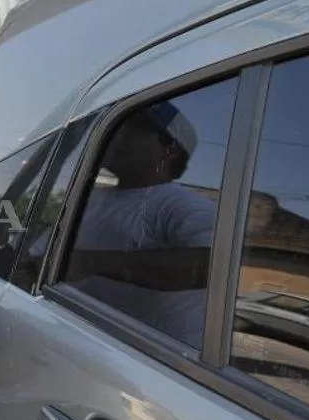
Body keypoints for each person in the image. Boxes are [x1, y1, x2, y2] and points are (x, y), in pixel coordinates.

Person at [25, 101, 216, 349]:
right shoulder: (89, 198)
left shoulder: (183, 205)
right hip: (76, 343)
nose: (119, 135)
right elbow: (40, 257)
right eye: (121, 126)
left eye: (136, 129)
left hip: (151, 366)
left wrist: (90, 263)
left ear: (169, 149)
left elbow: (207, 265)